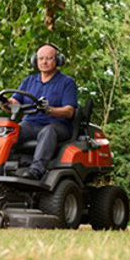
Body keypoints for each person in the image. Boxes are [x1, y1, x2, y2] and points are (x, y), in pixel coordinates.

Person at [5, 43, 78, 180]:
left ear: (58, 60)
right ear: (35, 60)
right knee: (9, 130)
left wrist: (49, 110)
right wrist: (6, 103)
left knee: (48, 131)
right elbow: (15, 102)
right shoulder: (29, 81)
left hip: (57, 126)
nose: (44, 62)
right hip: (30, 124)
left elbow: (69, 111)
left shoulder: (67, 82)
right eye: (41, 58)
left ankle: (36, 170)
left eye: (49, 58)